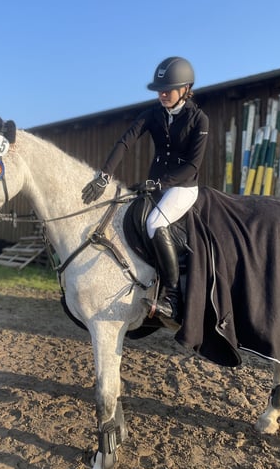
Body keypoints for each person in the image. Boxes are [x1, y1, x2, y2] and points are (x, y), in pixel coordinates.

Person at [81, 56, 209, 323]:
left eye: (168, 89)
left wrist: (159, 183)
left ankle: (172, 298)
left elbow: (193, 166)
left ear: (185, 88)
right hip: (155, 186)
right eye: (159, 90)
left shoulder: (199, 120)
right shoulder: (153, 114)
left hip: (182, 187)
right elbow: (125, 141)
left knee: (154, 223)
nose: (162, 94)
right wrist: (104, 175)